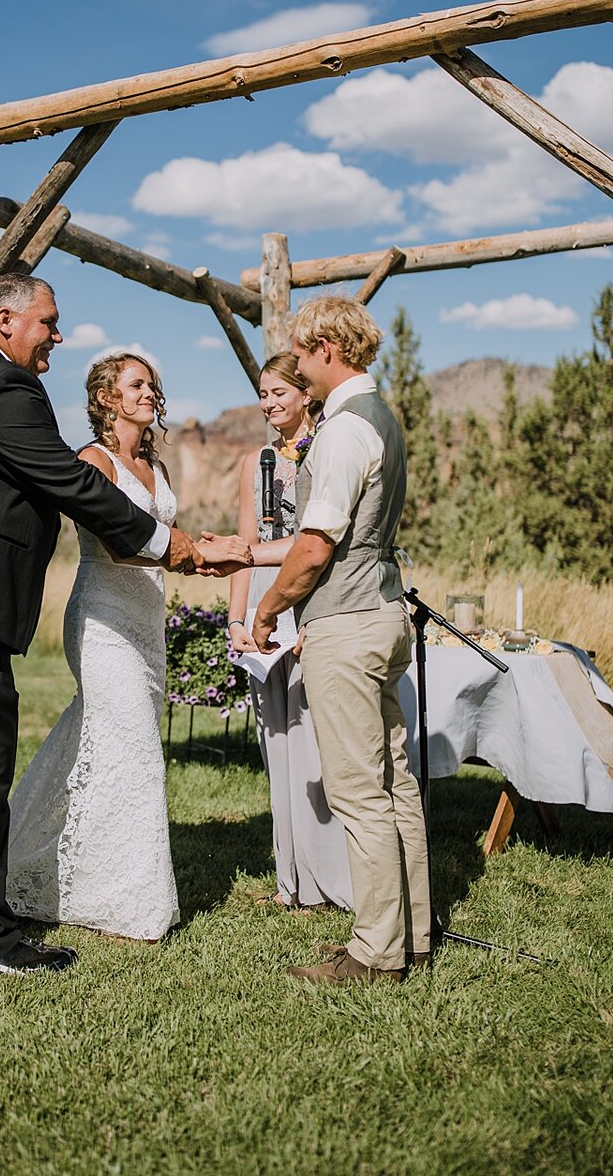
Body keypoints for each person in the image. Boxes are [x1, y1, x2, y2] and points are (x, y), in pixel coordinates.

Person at [0, 272, 250, 976]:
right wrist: (176, 546)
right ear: (6, 320)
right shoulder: (3, 385)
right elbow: (66, 482)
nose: (57, 337)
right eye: (49, 322)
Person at [251, 296, 430, 986]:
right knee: (394, 782)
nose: (295, 364)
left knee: (360, 794)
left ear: (328, 347)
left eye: (300, 352)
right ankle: (411, 935)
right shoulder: (379, 416)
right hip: (382, 616)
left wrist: (269, 608)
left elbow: (316, 543)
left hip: (348, 624)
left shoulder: (346, 430)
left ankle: (376, 952)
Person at [6, 351, 182, 939]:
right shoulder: (94, 461)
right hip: (104, 618)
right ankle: (127, 897)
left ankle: (58, 861)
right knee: (131, 746)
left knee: (110, 742)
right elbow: (116, 545)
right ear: (107, 398)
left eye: (152, 385)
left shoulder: (152, 461)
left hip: (146, 617)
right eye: (136, 385)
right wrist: (198, 556)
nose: (149, 393)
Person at [228, 355, 352, 914]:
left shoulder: (327, 451)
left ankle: (332, 879)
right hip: (262, 613)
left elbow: (321, 546)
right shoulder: (254, 463)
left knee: (315, 749)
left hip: (311, 607)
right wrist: (236, 620)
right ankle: (292, 879)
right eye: (262, 393)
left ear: (306, 394)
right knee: (276, 746)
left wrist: (305, 618)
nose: (269, 402)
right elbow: (244, 551)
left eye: (279, 391)